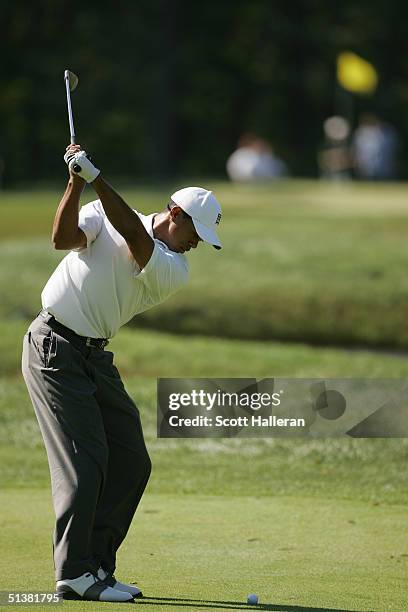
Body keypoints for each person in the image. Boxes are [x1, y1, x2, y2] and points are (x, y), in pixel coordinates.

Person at [21, 145, 222, 602]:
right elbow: (62, 238)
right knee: (86, 460)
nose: (198, 244)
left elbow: (135, 237)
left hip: (92, 355)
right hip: (52, 345)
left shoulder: (174, 268)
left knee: (131, 458)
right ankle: (74, 573)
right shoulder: (104, 210)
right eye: (197, 232)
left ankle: (96, 568)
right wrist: (75, 184)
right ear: (175, 213)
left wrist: (95, 177)